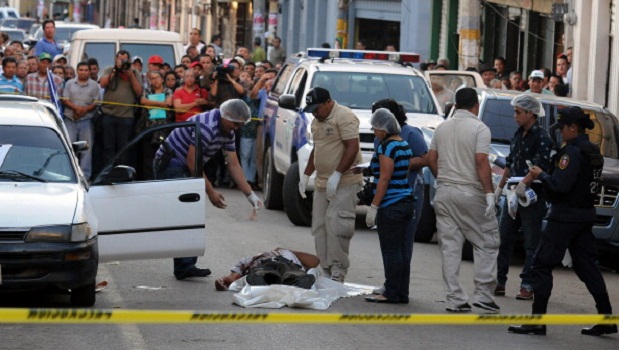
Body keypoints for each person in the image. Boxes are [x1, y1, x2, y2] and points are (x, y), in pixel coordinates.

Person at [508, 106, 617, 336]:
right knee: (587, 268)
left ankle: (537, 321)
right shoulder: (592, 150)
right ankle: (607, 318)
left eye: (563, 128)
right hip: (584, 215)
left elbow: (560, 185)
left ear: (573, 128)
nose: (560, 133)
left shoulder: (572, 153)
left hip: (564, 217)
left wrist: (540, 175)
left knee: (542, 265)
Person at [153, 99, 262, 280]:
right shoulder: (207, 127)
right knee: (185, 213)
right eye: (235, 124)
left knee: (191, 213)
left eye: (240, 125)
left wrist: (250, 194)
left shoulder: (227, 130)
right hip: (171, 164)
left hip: (185, 164)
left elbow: (233, 164)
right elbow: (192, 162)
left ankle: (186, 265)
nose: (236, 128)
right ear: (225, 116)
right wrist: (210, 192)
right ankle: (184, 265)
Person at [427, 87, 500, 313]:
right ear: (476, 105)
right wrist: (489, 192)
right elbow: (481, 161)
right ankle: (484, 295)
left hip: (445, 192)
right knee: (487, 242)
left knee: (450, 247)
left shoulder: (442, 128)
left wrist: (445, 179)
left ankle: (455, 298)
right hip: (471, 192)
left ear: (456, 105)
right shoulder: (480, 128)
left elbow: (431, 159)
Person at [298, 87, 363, 283]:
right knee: (319, 226)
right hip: (321, 182)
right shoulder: (317, 120)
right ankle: (324, 267)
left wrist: (337, 174)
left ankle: (338, 269)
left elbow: (353, 147)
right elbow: (317, 149)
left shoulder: (344, 116)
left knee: (337, 225)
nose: (314, 113)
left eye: (317, 108)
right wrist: (306, 174)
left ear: (328, 102)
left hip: (344, 181)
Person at [493, 94, 552, 300]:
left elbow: (539, 166)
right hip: (512, 196)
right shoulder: (518, 134)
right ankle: (499, 281)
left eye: (518, 112)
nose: (514, 116)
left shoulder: (542, 137)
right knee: (504, 238)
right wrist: (499, 190)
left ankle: (527, 284)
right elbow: (509, 163)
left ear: (530, 113)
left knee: (531, 243)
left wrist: (523, 184)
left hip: (532, 197)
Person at [369, 99, 428, 296]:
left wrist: (374, 206)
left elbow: (424, 158)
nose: (374, 128)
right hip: (402, 197)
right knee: (397, 247)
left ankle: (395, 289)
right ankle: (397, 287)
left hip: (400, 195)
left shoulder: (409, 135)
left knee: (397, 246)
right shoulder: (388, 141)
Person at [363, 109, 414, 304]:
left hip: (391, 204)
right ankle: (401, 292)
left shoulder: (386, 147)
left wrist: (374, 206)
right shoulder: (404, 145)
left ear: (384, 128)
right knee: (401, 250)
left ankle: (390, 292)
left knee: (391, 250)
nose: (374, 132)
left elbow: (385, 177)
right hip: (406, 201)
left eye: (376, 129)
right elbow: (403, 172)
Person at [98, 50, 143, 166]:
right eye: (120, 60)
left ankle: (122, 174)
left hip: (126, 116)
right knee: (108, 147)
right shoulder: (109, 69)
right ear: (116, 60)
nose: (122, 62)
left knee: (123, 148)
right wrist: (115, 71)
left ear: (129, 60)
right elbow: (102, 84)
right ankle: (107, 173)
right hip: (108, 114)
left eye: (125, 60)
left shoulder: (134, 72)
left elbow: (139, 92)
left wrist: (131, 76)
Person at [215, 248, 320, 291]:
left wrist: (285, 250)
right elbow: (233, 277)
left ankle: (296, 281)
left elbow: (315, 261)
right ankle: (263, 279)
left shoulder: (289, 254)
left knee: (291, 272)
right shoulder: (250, 260)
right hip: (264, 265)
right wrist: (223, 281)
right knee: (265, 271)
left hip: (288, 264)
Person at [62, 61, 100, 180]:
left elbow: (97, 102)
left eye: (86, 70)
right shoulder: (69, 83)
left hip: (86, 121)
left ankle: (85, 176)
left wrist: (84, 110)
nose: (83, 72)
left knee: (86, 149)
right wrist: (77, 109)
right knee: (69, 147)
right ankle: (68, 173)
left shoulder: (94, 85)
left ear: (90, 71)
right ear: (77, 71)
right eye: (81, 70)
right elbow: (65, 99)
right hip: (70, 119)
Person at [137, 70, 173, 180]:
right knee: (148, 156)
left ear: (162, 79)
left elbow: (169, 103)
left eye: (157, 77)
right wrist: (161, 104)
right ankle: (149, 179)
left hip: (164, 129)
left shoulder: (168, 91)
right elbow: (144, 102)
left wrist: (152, 103)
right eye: (152, 78)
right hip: (149, 129)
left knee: (163, 155)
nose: (155, 80)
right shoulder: (147, 91)